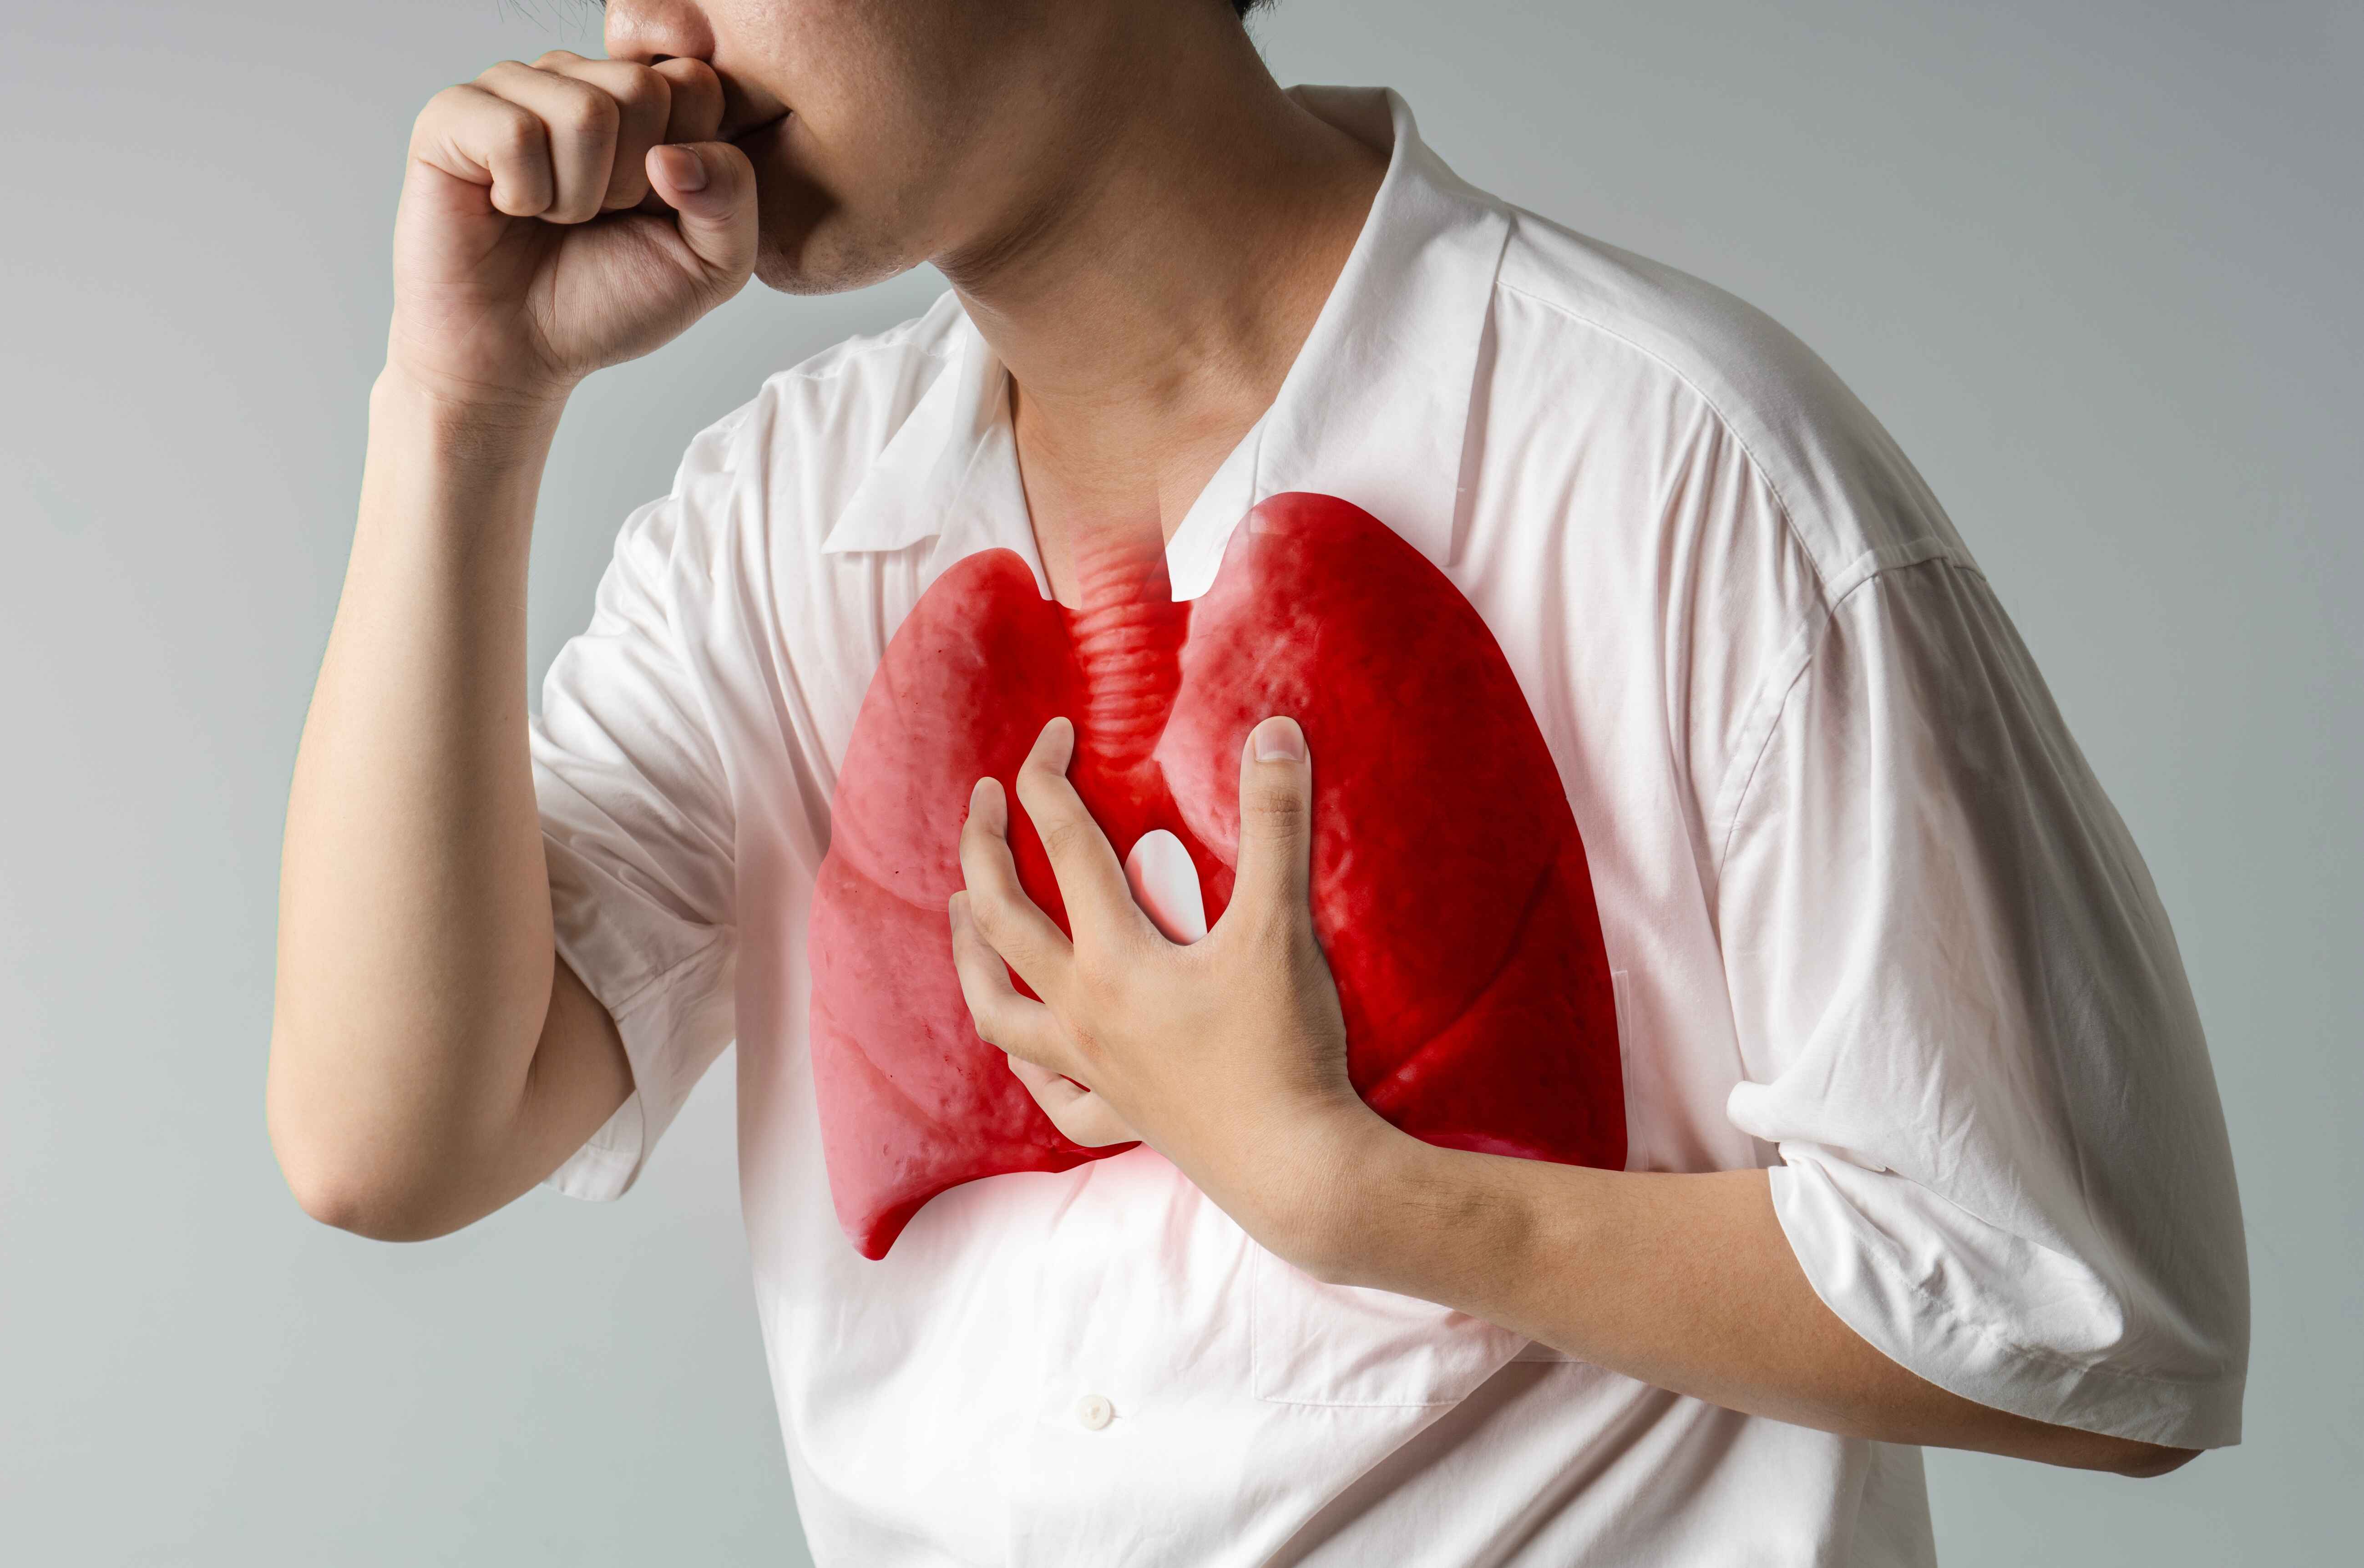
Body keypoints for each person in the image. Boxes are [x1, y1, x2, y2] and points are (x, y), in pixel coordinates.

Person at [265, 0, 2251, 1561]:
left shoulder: (1676, 465)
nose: (649, 37)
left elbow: (2089, 1320)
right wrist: (459, 408)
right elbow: (392, 1142)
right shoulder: (770, 526)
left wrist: (1366, 1200)